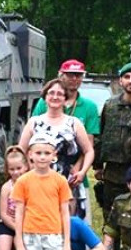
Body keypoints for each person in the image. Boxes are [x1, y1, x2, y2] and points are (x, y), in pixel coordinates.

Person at [19, 79, 95, 220]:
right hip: (38, 181)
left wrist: (82, 172)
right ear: (45, 97)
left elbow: (89, 151)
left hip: (68, 181)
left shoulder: (74, 123)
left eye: (60, 94)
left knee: (68, 223)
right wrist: (29, 169)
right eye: (51, 93)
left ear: (65, 98)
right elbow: (21, 151)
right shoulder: (33, 123)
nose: (55, 97)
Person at [95, 61, 131, 213]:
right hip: (113, 172)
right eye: (127, 77)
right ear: (120, 81)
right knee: (112, 213)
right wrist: (98, 166)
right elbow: (100, 135)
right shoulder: (110, 105)